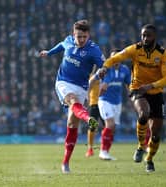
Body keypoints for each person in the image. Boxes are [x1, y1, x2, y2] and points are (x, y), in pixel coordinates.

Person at [98, 24, 166, 172]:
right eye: (143, 35)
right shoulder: (135, 49)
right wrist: (105, 67)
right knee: (143, 114)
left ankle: (149, 159)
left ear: (155, 37)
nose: (145, 38)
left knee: (156, 133)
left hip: (155, 92)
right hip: (138, 89)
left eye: (148, 35)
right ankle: (140, 146)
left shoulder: (163, 54)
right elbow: (116, 58)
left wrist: (151, 86)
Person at [39, 19, 105, 174]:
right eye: (79, 36)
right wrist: (49, 52)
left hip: (82, 87)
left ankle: (65, 162)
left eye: (84, 37)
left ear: (88, 35)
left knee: (71, 124)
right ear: (73, 35)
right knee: (73, 100)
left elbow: (105, 65)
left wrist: (103, 79)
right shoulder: (68, 41)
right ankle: (88, 119)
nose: (81, 40)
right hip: (63, 82)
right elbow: (61, 45)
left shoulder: (94, 50)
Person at [90, 49, 131, 160]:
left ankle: (106, 152)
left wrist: (133, 96)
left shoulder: (125, 70)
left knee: (112, 129)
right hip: (104, 100)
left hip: (117, 102)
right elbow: (94, 78)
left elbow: (129, 84)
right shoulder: (105, 69)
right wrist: (86, 91)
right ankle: (102, 151)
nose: (114, 60)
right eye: (112, 58)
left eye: (117, 57)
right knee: (110, 124)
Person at [85, 68, 104, 158]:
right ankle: (90, 148)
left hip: (105, 103)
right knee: (92, 126)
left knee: (107, 127)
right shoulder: (92, 76)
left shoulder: (106, 76)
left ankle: (104, 149)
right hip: (94, 103)